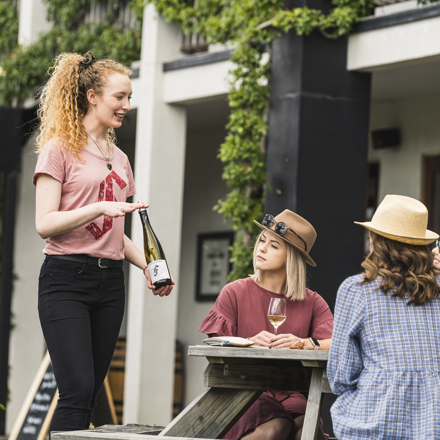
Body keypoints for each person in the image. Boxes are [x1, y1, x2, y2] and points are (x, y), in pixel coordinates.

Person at [34, 51, 174, 433]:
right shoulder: (59, 148)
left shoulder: (121, 159)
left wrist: (150, 268)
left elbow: (116, 232)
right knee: (76, 390)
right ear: (92, 96)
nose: (127, 105)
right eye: (119, 97)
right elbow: (45, 224)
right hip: (66, 278)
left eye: (130, 98)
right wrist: (98, 207)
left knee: (92, 393)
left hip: (110, 282)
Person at [199, 210, 333, 440]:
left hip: (292, 393)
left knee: (308, 431)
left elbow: (338, 344)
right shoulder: (234, 292)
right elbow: (214, 342)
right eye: (262, 240)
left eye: (274, 246)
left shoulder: (311, 301)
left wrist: (305, 343)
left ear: (291, 257)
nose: (261, 248)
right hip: (245, 392)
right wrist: (247, 343)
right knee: (277, 428)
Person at [327, 194, 440, 440]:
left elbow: (341, 375)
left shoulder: (357, 289)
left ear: (375, 241)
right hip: (434, 423)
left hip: (375, 418)